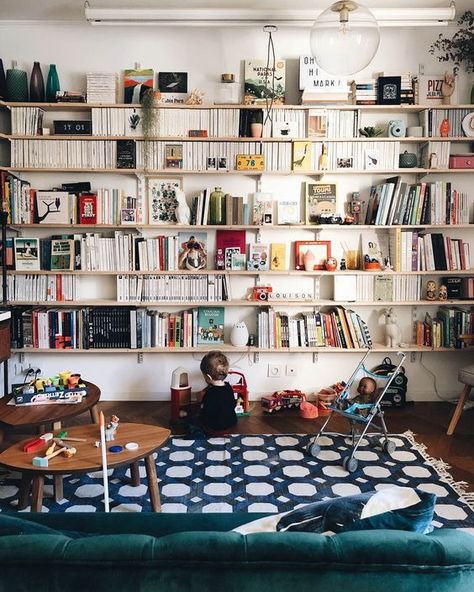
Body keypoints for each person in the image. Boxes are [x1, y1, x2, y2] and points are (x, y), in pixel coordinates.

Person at [195, 350, 237, 435]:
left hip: (213, 427)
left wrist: (200, 401)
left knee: (195, 419)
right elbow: (233, 404)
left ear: (208, 377)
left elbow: (206, 410)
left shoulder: (210, 393)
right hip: (230, 423)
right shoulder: (229, 387)